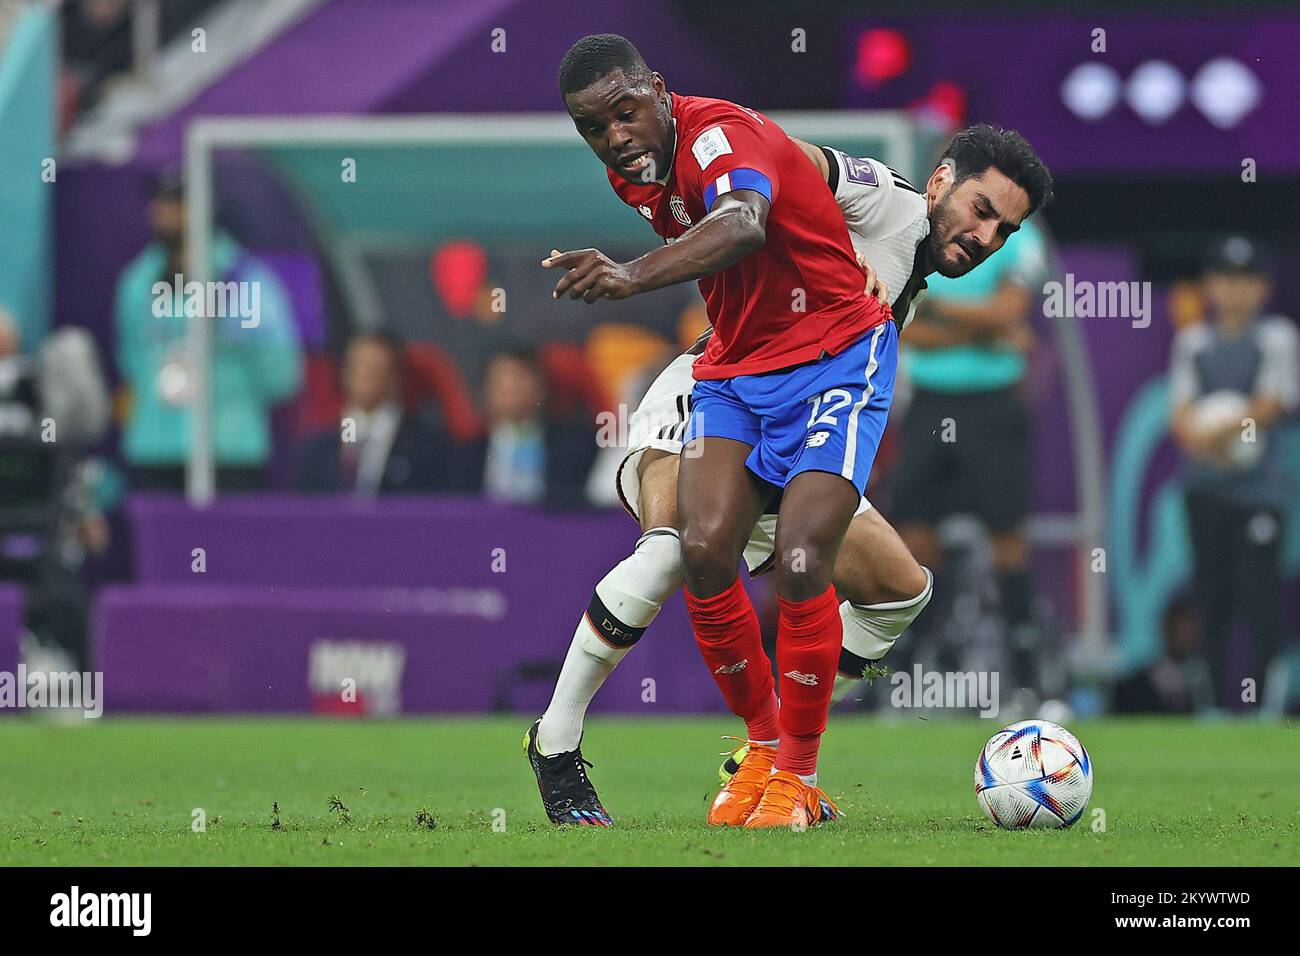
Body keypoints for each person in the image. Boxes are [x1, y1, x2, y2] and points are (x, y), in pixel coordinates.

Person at [527, 34, 1053, 829]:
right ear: (941, 180)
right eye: (982, 211)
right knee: (679, 549)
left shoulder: (897, 271)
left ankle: (771, 756)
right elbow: (784, 159)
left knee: (898, 594)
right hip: (711, 383)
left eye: (1003, 233)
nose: (984, 239)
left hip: (802, 396)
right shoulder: (889, 202)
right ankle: (558, 742)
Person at [890, 209, 1051, 707]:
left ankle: (1029, 682)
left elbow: (1008, 313)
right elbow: (902, 327)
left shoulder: (1019, 237)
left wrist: (933, 304)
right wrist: (985, 330)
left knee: (1007, 542)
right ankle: (909, 681)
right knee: (914, 542)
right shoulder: (916, 227)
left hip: (994, 406)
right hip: (930, 405)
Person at [1169, 236, 1299, 712]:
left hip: (1260, 493)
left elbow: (1270, 404)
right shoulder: (1193, 342)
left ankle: (1268, 706)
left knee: (1260, 593)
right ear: (1209, 286)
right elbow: (1181, 417)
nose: (1234, 291)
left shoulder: (1277, 337)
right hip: (1205, 491)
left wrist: (1218, 435)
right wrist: (1204, 440)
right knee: (1211, 595)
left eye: (1246, 280)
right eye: (1224, 279)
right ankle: (1212, 707)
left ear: (1262, 288)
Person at [114, 173, 303, 493]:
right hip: (155, 450)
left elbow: (282, 376)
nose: (161, 211)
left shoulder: (245, 281)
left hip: (228, 452)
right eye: (159, 202)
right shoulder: (137, 282)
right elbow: (131, 359)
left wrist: (230, 342)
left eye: (175, 203)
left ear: (201, 208)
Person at [296, 332, 443, 495]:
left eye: (375, 369)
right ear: (345, 372)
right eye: (358, 366)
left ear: (394, 377)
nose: (365, 376)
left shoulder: (424, 447)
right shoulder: (319, 448)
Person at [461, 346, 598, 509]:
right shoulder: (466, 449)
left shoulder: (574, 445)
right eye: (502, 380)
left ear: (541, 387)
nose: (511, 388)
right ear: (486, 389)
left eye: (519, 378)